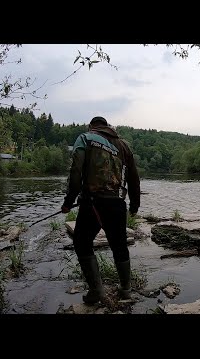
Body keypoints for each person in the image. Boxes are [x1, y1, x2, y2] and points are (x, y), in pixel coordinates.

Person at [61, 116, 140, 304]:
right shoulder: (123, 145)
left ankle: (96, 291)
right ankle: (126, 290)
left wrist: (68, 201)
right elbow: (134, 178)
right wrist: (135, 205)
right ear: (108, 127)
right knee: (119, 245)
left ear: (92, 126)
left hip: (92, 203)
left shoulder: (85, 138)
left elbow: (75, 172)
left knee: (82, 242)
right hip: (118, 204)